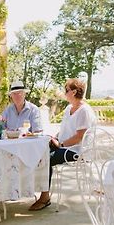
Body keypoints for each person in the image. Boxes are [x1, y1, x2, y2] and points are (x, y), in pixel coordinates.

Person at [29, 78, 97, 211]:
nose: (64, 93)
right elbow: (65, 129)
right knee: (39, 151)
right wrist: (54, 138)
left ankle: (45, 197)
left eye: (66, 90)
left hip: (78, 151)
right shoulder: (68, 108)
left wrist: (60, 144)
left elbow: (79, 136)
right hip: (66, 147)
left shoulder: (84, 111)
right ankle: (33, 189)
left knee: (46, 158)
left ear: (74, 92)